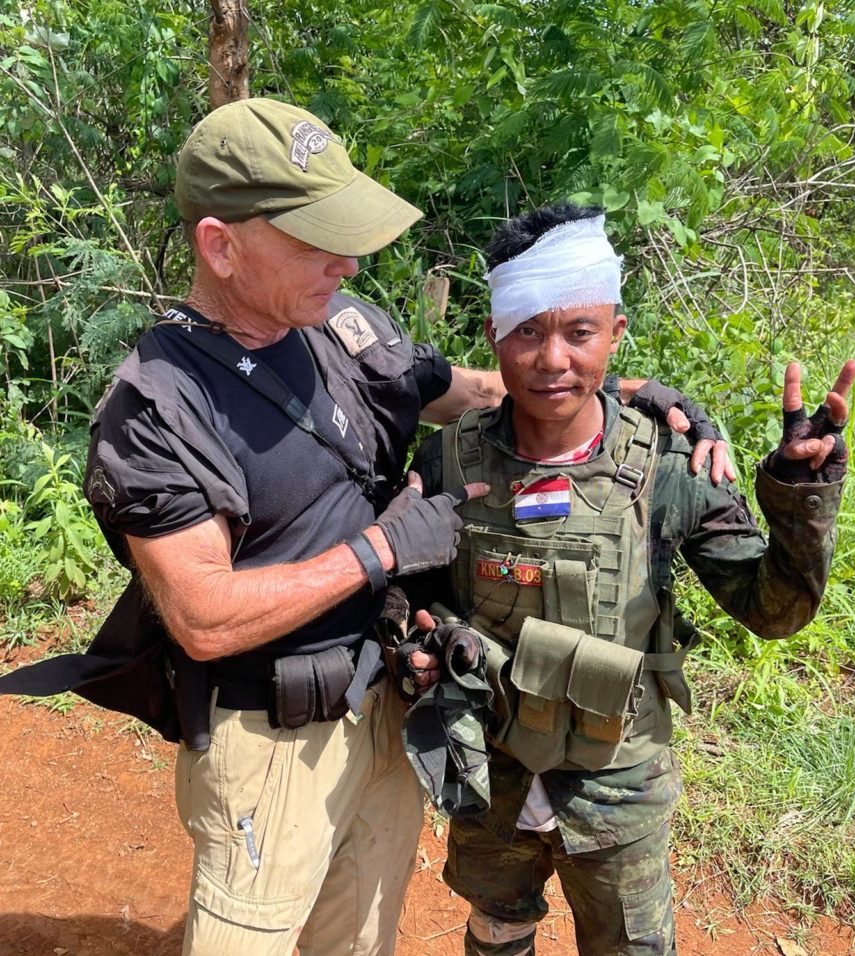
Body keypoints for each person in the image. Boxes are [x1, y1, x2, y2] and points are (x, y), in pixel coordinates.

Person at [0, 101, 730, 956]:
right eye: (315, 241)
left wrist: (634, 398)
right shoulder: (160, 406)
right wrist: (382, 550)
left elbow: (481, 389)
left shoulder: (340, 328)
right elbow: (201, 616)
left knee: (359, 939)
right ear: (221, 246)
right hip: (271, 739)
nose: (346, 262)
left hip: (388, 708)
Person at [406, 202, 855, 955]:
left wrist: (796, 492)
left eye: (580, 332)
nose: (553, 359)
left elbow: (772, 611)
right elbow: (413, 591)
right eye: (527, 332)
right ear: (493, 337)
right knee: (496, 926)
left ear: (615, 334)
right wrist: (417, 642)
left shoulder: (673, 470)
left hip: (618, 791)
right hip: (489, 779)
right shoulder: (448, 460)